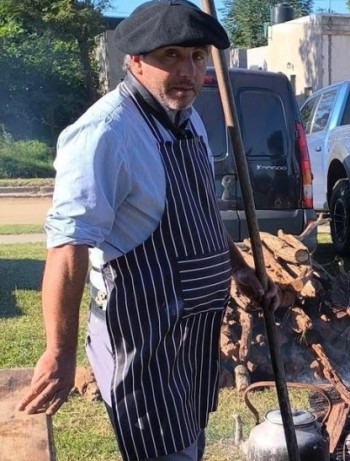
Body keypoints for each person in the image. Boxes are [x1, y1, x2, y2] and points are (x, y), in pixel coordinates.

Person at [16, 1, 280, 460]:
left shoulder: (189, 119)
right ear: (135, 61)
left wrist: (238, 269)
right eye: (172, 56)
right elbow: (67, 246)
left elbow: (200, 209)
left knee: (189, 442)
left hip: (192, 335)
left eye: (197, 57)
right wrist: (59, 352)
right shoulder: (105, 134)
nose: (188, 71)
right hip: (144, 341)